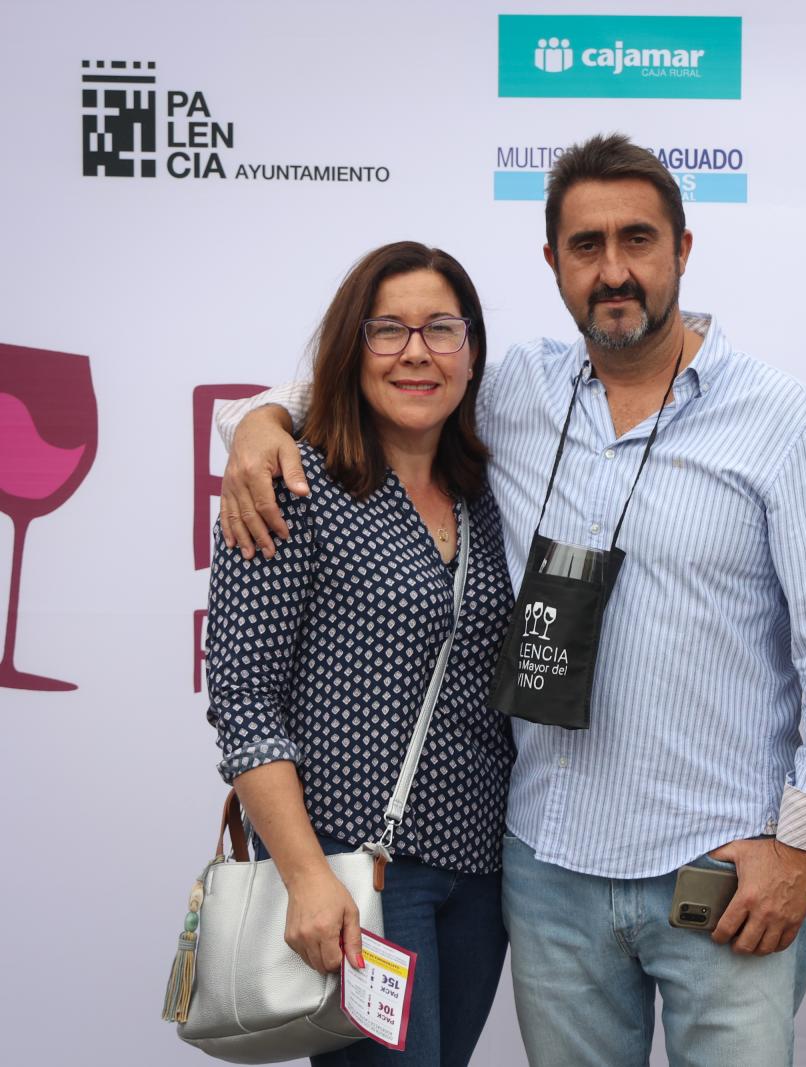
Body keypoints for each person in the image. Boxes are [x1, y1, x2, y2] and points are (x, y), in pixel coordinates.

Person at [214, 134, 806, 1066]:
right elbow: (385, 377)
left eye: (638, 239)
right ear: (553, 263)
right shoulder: (514, 394)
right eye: (586, 245)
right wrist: (257, 422)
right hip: (546, 873)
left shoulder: (785, 423)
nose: (613, 269)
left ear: (683, 250)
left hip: (724, 866)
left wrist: (804, 852)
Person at [205, 241, 514, 1067]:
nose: (417, 352)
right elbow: (242, 697)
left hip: (480, 871)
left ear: (472, 352)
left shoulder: (489, 496)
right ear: (353, 347)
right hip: (357, 871)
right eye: (389, 330)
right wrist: (307, 875)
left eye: (442, 329)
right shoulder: (291, 482)